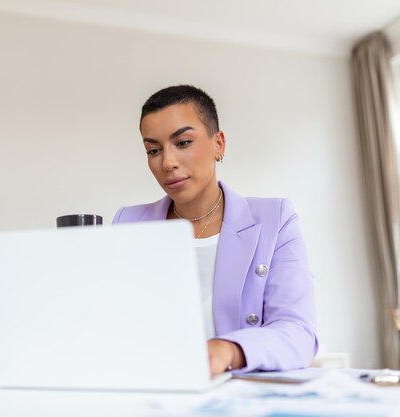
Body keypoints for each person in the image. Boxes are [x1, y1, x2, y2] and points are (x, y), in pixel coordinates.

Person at [113, 85, 318, 375]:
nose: (167, 163)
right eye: (154, 150)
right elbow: (113, 326)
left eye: (183, 143)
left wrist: (229, 350)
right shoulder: (128, 224)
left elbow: (298, 333)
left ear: (218, 144)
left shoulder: (275, 219)